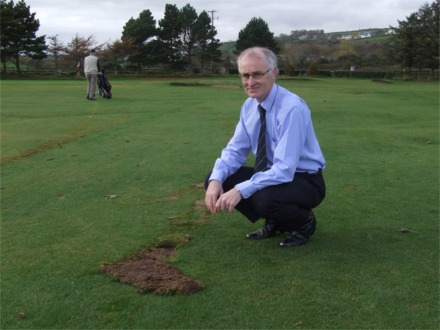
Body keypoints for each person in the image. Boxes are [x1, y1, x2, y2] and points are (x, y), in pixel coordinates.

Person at [204, 46, 326, 248]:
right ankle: (276, 220)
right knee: (215, 177)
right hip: (273, 174)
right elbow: (235, 150)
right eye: (245, 75)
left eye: (257, 74)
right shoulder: (249, 105)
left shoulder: (291, 108)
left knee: (262, 197)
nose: (250, 82)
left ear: (274, 72)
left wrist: (240, 190)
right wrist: (216, 180)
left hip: (305, 180)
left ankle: (304, 223)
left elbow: (285, 169)